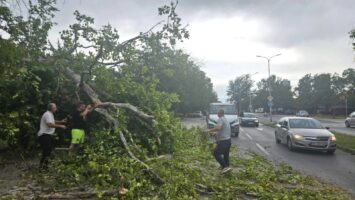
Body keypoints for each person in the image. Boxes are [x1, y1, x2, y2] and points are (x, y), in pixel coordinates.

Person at [38, 103, 66, 170]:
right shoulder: (47, 114)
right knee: (46, 151)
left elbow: (53, 121)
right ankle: (43, 167)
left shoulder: (50, 114)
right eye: (55, 107)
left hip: (47, 135)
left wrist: (61, 122)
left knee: (48, 150)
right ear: (51, 108)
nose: (56, 109)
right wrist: (61, 126)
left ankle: (44, 166)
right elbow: (50, 124)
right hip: (44, 135)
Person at [208, 109, 232, 174]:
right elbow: (222, 129)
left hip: (223, 141)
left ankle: (224, 167)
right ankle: (227, 166)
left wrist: (209, 130)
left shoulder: (220, 119)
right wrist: (216, 133)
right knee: (225, 155)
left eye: (218, 113)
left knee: (216, 153)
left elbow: (218, 128)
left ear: (220, 113)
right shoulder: (226, 119)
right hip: (228, 140)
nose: (217, 114)